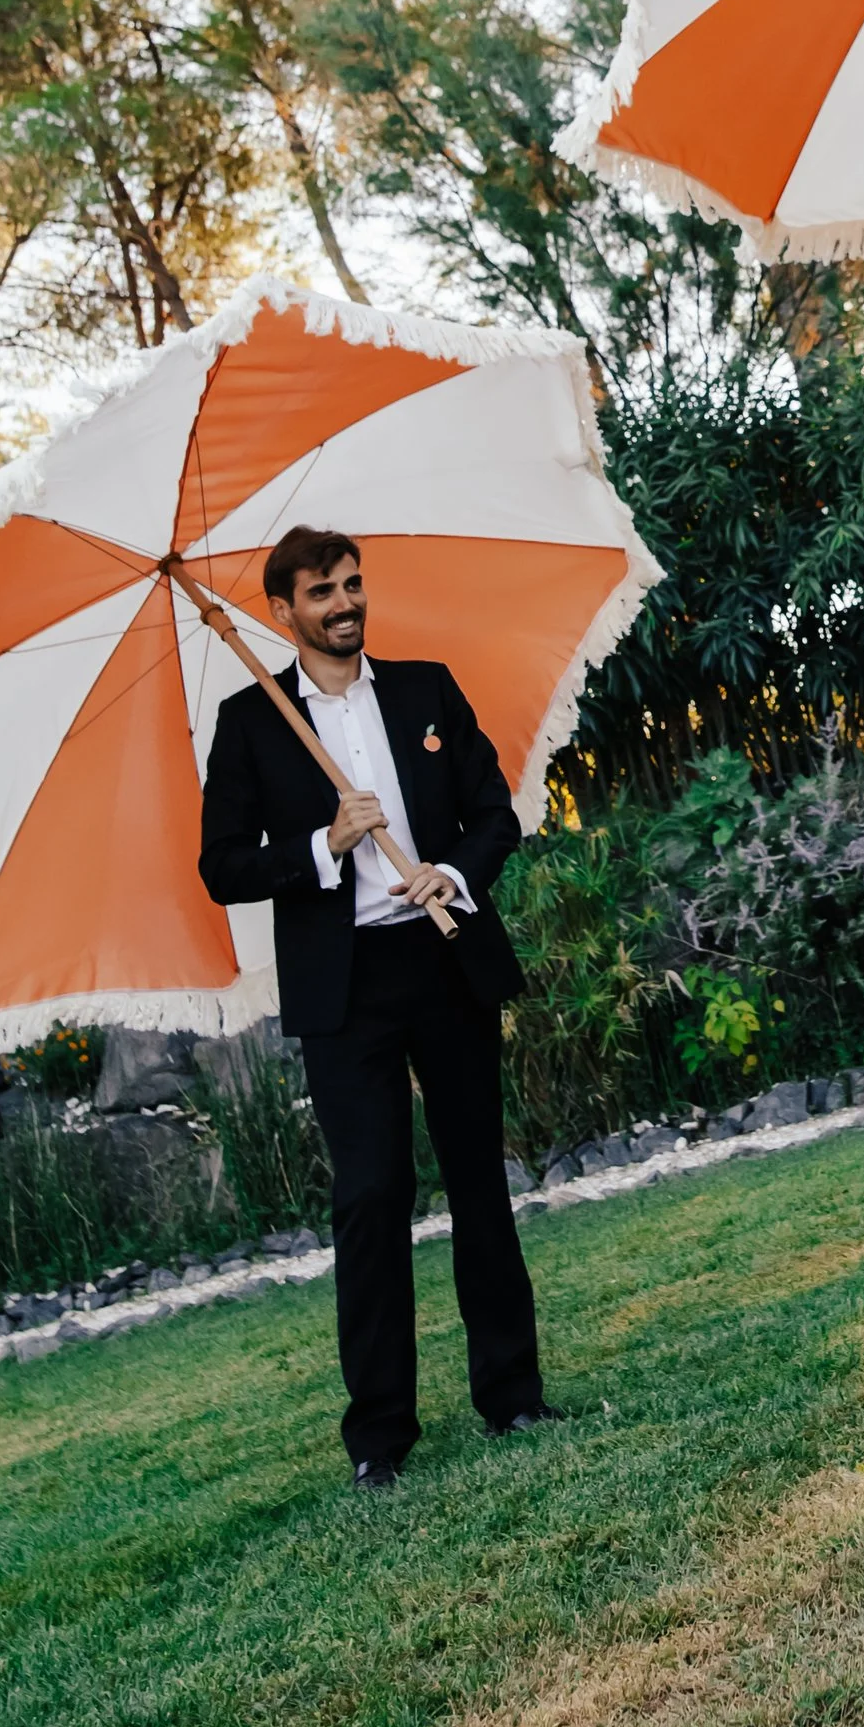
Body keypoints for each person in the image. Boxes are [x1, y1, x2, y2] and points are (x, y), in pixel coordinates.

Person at [197, 523, 552, 1481]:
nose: (345, 603)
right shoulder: (251, 722)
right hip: (345, 987)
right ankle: (381, 1443)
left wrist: (451, 872)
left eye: (352, 585)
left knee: (479, 1178)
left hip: (445, 962)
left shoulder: (428, 687)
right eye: (321, 593)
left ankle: (513, 1399)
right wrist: (324, 845)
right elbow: (222, 868)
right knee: (369, 1198)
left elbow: (495, 812)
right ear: (282, 611)